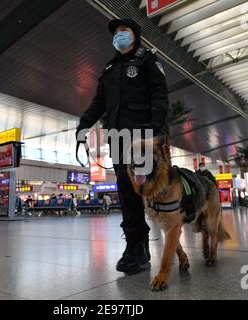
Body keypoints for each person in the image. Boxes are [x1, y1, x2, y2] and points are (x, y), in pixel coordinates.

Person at [76, 18, 169, 275]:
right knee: (127, 191)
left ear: (135, 35)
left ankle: (175, 234)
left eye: (124, 31)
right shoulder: (109, 68)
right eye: (116, 32)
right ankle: (136, 246)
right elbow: (98, 103)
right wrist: (84, 125)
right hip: (117, 136)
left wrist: (156, 126)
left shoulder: (148, 60)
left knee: (152, 188)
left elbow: (160, 93)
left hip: (143, 135)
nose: (119, 35)